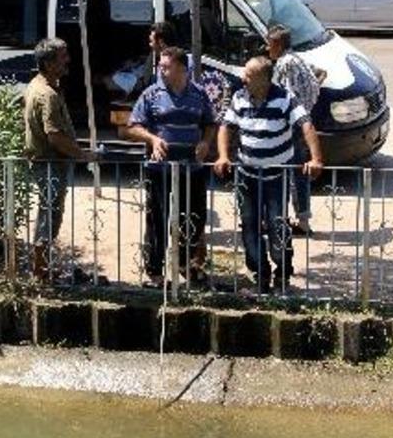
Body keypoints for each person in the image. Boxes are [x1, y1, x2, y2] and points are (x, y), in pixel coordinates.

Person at [214, 56, 323, 294]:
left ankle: (282, 273)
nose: (243, 78)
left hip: (276, 176)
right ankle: (260, 275)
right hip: (246, 174)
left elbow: (306, 125)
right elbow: (226, 127)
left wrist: (316, 159)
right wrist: (223, 155)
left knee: (277, 225)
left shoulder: (285, 98)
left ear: (264, 79)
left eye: (249, 75)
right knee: (249, 225)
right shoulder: (239, 97)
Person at [125, 46, 216, 288]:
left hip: (192, 169)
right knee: (157, 220)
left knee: (194, 217)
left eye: (166, 67)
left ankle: (186, 264)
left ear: (182, 69)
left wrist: (206, 142)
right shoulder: (151, 94)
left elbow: (210, 123)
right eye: (160, 66)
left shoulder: (199, 94)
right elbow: (132, 126)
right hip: (160, 169)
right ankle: (155, 272)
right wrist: (153, 139)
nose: (160, 70)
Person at [24, 38, 93, 284]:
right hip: (50, 163)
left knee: (49, 212)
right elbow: (54, 135)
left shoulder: (39, 85)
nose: (68, 61)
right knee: (50, 215)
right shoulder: (47, 94)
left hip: (46, 161)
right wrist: (82, 154)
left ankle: (41, 268)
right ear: (49, 63)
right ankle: (40, 271)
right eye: (63, 57)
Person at [265, 25, 326, 234]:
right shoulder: (297, 59)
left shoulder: (286, 63)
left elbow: (288, 97)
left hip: (291, 126)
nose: (267, 49)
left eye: (269, 44)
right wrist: (309, 103)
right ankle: (302, 220)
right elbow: (320, 74)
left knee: (286, 174)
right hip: (302, 122)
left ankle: (284, 220)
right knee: (298, 173)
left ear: (278, 44)